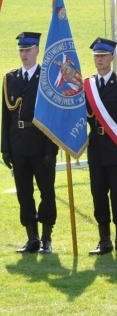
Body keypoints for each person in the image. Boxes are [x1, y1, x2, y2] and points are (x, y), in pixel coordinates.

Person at [1, 32, 58, 254]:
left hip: (41, 143)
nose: (24, 54)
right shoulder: (10, 78)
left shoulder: (46, 78)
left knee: (47, 191)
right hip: (18, 145)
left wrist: (50, 149)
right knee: (24, 193)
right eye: (21, 50)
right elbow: (6, 116)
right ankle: (31, 237)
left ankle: (46, 237)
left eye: (28, 50)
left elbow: (52, 117)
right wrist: (5, 148)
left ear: (36, 50)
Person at [84, 37, 117, 256]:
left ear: (112, 58)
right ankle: (104, 239)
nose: (100, 60)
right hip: (96, 149)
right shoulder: (87, 86)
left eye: (103, 56)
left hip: (116, 151)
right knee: (98, 195)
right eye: (97, 56)